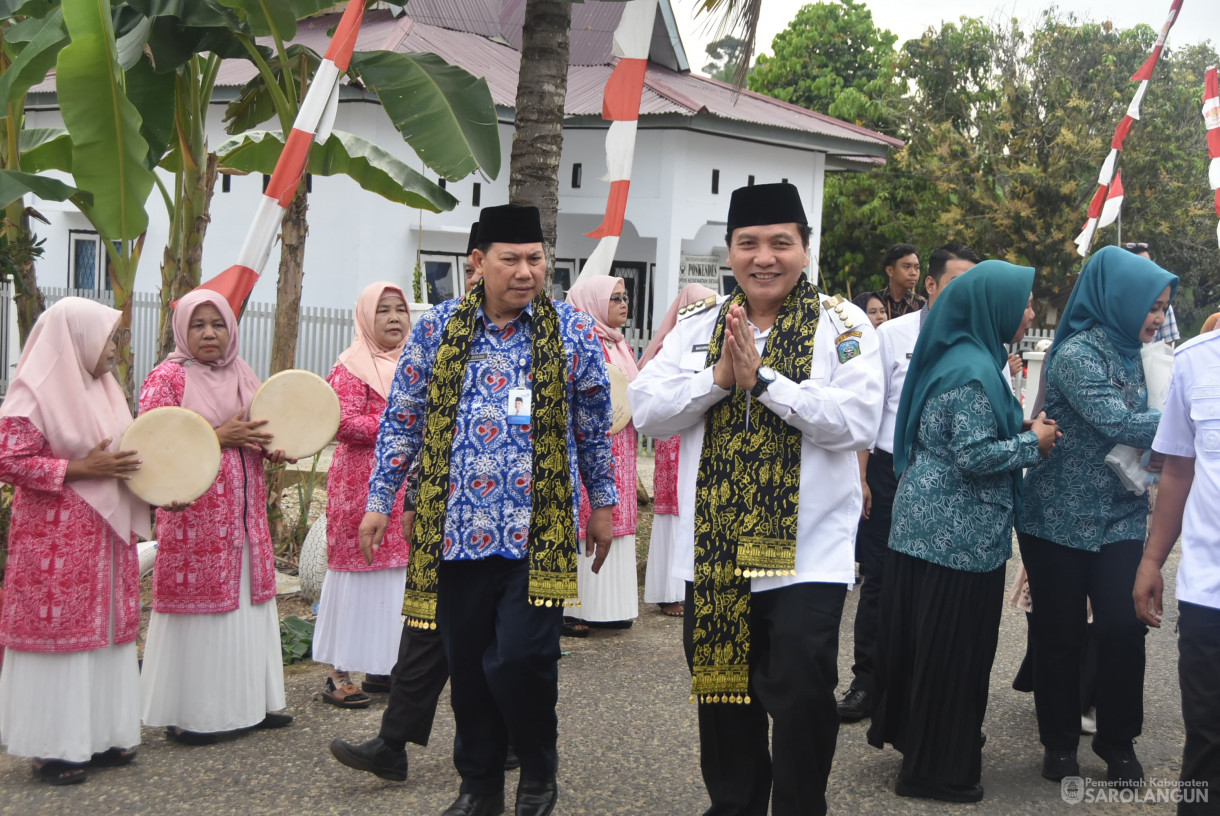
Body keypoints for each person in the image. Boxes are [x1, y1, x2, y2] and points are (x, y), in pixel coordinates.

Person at [630, 182, 884, 816]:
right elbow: (645, 411)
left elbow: (856, 422)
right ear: (730, 250)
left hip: (806, 555)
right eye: (748, 244)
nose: (763, 258)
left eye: (780, 243)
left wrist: (765, 382)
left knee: (801, 700)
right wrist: (717, 380)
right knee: (722, 704)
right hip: (714, 555)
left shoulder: (843, 324)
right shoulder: (696, 326)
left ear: (805, 247)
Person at [357, 204, 617, 816]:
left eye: (535, 258)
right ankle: (479, 787)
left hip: (540, 530)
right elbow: (404, 419)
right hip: (457, 531)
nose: (526, 272)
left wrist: (602, 504)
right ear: (478, 263)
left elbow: (594, 429)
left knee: (521, 657)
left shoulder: (571, 332)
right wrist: (380, 500)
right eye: (511, 259)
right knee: (471, 670)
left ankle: (537, 770)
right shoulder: (437, 329)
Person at [867, 261, 1058, 803]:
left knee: (928, 644)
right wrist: (1033, 443)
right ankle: (934, 770)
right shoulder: (974, 368)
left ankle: (924, 743)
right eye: (1021, 303)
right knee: (952, 650)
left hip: (929, 526)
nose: (1027, 314)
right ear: (990, 307)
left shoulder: (962, 357)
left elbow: (957, 434)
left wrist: (1018, 427)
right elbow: (973, 456)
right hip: (956, 534)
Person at [328, 221, 489, 784]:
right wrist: (397, 500)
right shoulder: (439, 333)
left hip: (511, 521)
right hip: (441, 513)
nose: (476, 280)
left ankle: (505, 743)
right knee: (426, 629)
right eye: (470, 270)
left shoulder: (550, 337)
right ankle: (391, 745)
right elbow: (411, 423)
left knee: (498, 640)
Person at [1016, 246, 1176, 786]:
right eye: (1150, 306)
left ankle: (1117, 740)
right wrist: (1183, 412)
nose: (1157, 318)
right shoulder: (1077, 354)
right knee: (1060, 634)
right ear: (1120, 300)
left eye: (1162, 307)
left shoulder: (1145, 353)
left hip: (1121, 515)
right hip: (1056, 516)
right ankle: (1059, 744)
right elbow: (1120, 422)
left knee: (1122, 626)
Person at [0, 299, 151, 785]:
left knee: (103, 633)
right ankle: (53, 749)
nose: (114, 348)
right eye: (108, 337)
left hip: (105, 539)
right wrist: (83, 468)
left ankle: (100, 735)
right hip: (54, 540)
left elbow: (126, 456)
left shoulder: (104, 389)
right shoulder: (33, 391)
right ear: (79, 338)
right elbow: (8, 460)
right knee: (60, 639)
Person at [139, 289, 293, 744]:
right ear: (182, 330)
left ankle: (253, 705)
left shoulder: (243, 374)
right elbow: (152, 442)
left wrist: (273, 449)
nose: (209, 333)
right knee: (202, 616)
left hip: (245, 520)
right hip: (195, 520)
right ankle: (196, 716)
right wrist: (216, 435)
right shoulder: (167, 378)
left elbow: (265, 430)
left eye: (218, 324)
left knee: (248, 607)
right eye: (198, 325)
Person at [838, 243, 980, 723]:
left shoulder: (981, 340)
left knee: (934, 585)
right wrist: (860, 474)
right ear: (933, 286)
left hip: (948, 477)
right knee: (879, 579)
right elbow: (867, 407)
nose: (965, 295)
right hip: (889, 471)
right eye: (956, 283)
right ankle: (866, 681)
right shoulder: (892, 336)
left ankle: (918, 687)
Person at [1133, 324, 1220, 815]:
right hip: (1210, 592)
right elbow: (1179, 469)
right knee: (1207, 739)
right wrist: (1151, 560)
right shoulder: (1196, 360)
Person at [312, 282, 412, 708]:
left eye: (400, 309)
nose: (393, 318)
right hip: (360, 486)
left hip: (405, 485)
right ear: (364, 319)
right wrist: (400, 422)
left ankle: (384, 666)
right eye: (382, 311)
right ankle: (338, 673)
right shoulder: (351, 366)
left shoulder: (415, 362)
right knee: (356, 576)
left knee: (394, 579)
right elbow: (342, 422)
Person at [565, 275, 639, 631]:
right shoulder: (585, 341)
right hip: (592, 447)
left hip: (622, 446)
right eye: (615, 299)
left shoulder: (620, 344)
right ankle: (576, 609)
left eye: (625, 297)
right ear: (594, 303)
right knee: (587, 519)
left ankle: (612, 608)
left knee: (618, 521)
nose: (623, 304)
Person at [638, 283, 717, 618]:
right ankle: (666, 590)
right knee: (672, 513)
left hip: (696, 440)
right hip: (673, 439)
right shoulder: (671, 348)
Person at [1125, 242, 1180, 346]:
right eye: (1153, 308)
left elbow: (1168, 347)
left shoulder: (1162, 301)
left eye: (1150, 264)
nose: (1160, 319)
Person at [877, 243, 926, 320]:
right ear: (890, 271)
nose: (913, 273)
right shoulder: (875, 301)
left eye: (917, 267)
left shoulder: (923, 305)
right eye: (906, 267)